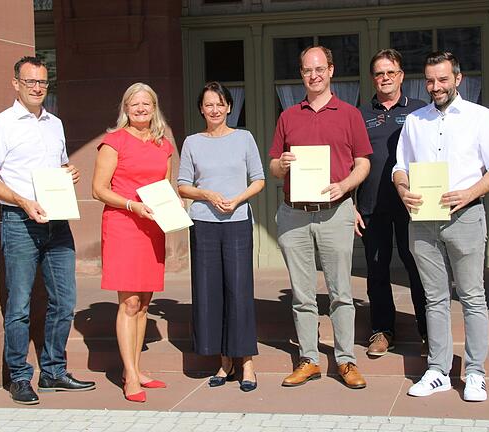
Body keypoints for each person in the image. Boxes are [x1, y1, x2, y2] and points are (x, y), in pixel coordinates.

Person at [393, 51, 489, 402]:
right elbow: (400, 166)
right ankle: (438, 371)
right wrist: (402, 189)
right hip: (424, 218)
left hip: (466, 215)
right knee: (434, 298)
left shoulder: (481, 117)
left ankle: (475, 373)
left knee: (473, 296)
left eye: (443, 79)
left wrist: (471, 192)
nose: (436, 86)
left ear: (457, 79)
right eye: (430, 80)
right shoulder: (415, 120)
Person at [0, 56, 96, 405]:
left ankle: (54, 371)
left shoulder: (54, 124)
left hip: (57, 221)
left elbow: (57, 167)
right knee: (19, 303)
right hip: (20, 221)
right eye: (30, 81)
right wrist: (21, 201)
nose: (37, 88)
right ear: (16, 83)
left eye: (42, 82)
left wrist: (69, 173)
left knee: (64, 300)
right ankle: (18, 376)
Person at [270, 45, 372, 389]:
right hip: (294, 214)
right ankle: (310, 359)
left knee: (341, 292)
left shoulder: (349, 114)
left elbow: (364, 163)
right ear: (301, 74)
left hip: (335, 212)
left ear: (330, 70)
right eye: (306, 70)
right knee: (302, 294)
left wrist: (345, 184)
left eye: (319, 69)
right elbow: (272, 165)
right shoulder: (288, 116)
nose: (313, 75)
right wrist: (280, 165)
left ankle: (345, 360)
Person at [177, 81, 265, 392]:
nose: (214, 109)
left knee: (239, 290)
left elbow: (259, 179)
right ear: (201, 109)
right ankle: (223, 360)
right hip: (203, 224)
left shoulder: (244, 138)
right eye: (208, 104)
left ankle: (246, 361)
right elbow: (183, 185)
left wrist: (238, 199)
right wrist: (205, 194)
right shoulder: (192, 142)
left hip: (237, 220)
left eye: (220, 104)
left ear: (229, 107)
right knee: (209, 291)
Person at [91, 82, 175, 403]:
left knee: (143, 304)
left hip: (153, 227)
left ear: (154, 108)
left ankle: (136, 369)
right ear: (125, 109)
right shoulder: (113, 142)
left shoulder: (162, 144)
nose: (141, 109)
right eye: (134, 104)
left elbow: (166, 185)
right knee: (128, 302)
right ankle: (129, 375)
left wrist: (173, 205)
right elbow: (98, 189)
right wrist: (131, 204)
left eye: (147, 104)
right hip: (124, 224)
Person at [355, 49, 428, 358]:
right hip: (373, 206)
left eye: (390, 72)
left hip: (413, 205)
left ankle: (429, 330)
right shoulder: (359, 114)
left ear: (401, 76)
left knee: (419, 268)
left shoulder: (420, 110)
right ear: (373, 78)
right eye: (379, 73)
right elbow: (350, 161)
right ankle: (382, 331)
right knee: (377, 270)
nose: (385, 78)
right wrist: (351, 203)